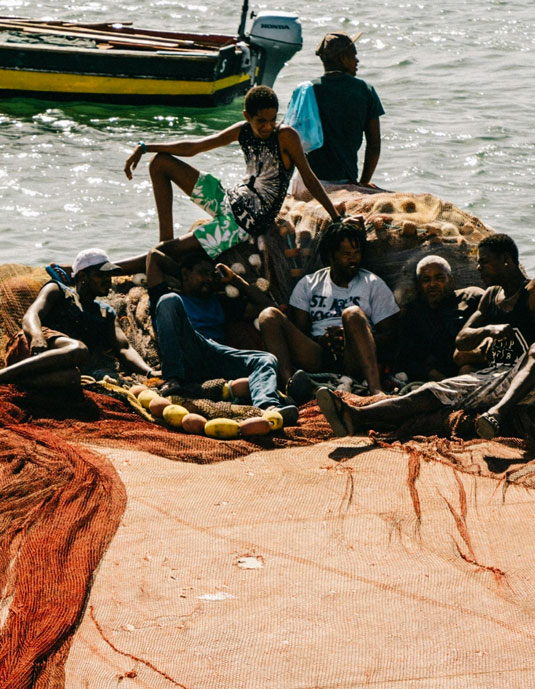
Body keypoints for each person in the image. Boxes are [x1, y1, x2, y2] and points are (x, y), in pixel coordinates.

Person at [317, 233, 535, 439]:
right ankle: (357, 417)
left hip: (528, 382)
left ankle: (496, 415)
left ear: (507, 260)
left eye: (485, 262)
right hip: (493, 377)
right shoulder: (490, 297)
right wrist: (489, 330)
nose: (479, 268)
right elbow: (463, 340)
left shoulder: (534, 292)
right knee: (431, 392)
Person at [118, 85, 344, 271]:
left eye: (272, 120)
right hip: (227, 199)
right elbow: (196, 146)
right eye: (260, 122)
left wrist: (336, 218)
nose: (267, 127)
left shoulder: (286, 136)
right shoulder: (242, 130)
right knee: (160, 163)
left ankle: (110, 268)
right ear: (247, 116)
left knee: (160, 254)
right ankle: (165, 240)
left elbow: (309, 177)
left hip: (242, 224)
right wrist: (145, 147)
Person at [0, 248, 154, 396]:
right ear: (83, 276)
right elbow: (31, 316)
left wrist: (149, 372)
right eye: (101, 275)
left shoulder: (105, 312)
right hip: (33, 349)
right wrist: (36, 337)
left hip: (56, 367)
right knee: (79, 349)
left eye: (109, 276)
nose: (108, 280)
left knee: (72, 378)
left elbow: (124, 349)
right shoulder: (58, 290)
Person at [145, 249, 297, 421]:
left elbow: (268, 306)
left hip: (214, 356)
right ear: (186, 274)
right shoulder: (172, 300)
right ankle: (172, 381)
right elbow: (154, 256)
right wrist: (181, 272)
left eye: (212, 275)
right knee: (168, 300)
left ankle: (268, 407)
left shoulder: (220, 302)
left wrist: (234, 280)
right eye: (203, 273)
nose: (209, 279)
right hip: (186, 351)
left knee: (266, 359)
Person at [256, 219, 398, 395]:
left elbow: (392, 336)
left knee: (352, 314)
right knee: (268, 316)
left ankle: (375, 389)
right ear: (331, 255)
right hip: (318, 354)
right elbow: (300, 331)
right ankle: (289, 387)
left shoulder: (373, 284)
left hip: (355, 355)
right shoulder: (309, 284)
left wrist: (350, 337)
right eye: (346, 254)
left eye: (356, 253)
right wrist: (323, 341)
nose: (353, 259)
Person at [287, 31, 384, 197]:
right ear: (343, 58)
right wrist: (362, 183)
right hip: (345, 184)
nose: (357, 60)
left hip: (308, 184)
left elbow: (287, 138)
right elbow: (374, 145)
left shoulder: (306, 90)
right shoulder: (365, 90)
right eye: (354, 55)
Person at [391, 254, 484, 382]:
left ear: (450, 280)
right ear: (419, 285)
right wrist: (438, 378)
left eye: (439, 278)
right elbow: (407, 358)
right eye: (426, 280)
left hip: (471, 367)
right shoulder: (413, 313)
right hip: (436, 377)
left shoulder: (472, 298)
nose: (432, 284)